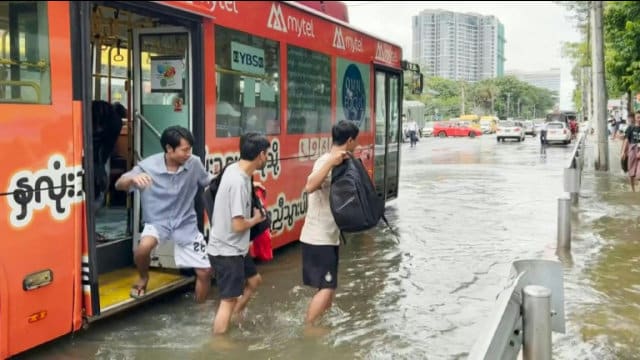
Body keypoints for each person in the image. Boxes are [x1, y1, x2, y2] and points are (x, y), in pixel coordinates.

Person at [114, 125, 213, 302]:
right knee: (142, 249)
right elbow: (119, 184)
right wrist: (131, 179)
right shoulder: (147, 166)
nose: (188, 153)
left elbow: (209, 181)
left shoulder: (194, 163)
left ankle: (201, 312)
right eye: (185, 150)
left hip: (185, 222)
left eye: (190, 149)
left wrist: (244, 183)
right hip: (157, 221)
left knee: (205, 272)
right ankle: (143, 277)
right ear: (169, 148)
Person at [207, 132, 270, 335]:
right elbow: (238, 226)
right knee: (227, 300)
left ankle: (235, 315)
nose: (267, 157)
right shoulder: (237, 183)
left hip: (235, 248)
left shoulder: (237, 170)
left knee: (254, 281)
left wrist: (254, 185)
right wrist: (257, 220)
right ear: (261, 154)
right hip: (227, 251)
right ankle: (220, 345)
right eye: (267, 154)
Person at [299, 120, 359, 327]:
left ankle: (322, 324)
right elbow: (309, 186)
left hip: (329, 237)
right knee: (326, 287)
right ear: (350, 140)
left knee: (329, 287)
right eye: (355, 142)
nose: (356, 146)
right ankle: (309, 329)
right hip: (318, 237)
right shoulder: (326, 160)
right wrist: (330, 163)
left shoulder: (341, 161)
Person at [92, 100, 124, 241]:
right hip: (98, 160)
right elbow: (107, 148)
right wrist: (101, 165)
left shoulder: (90, 120)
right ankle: (90, 230)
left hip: (84, 158)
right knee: (99, 193)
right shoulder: (115, 122)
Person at [621, 111, 640, 191]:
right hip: (632, 150)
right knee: (631, 171)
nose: (639, 119)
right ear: (635, 118)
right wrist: (623, 152)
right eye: (638, 117)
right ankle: (633, 190)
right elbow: (626, 140)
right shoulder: (630, 128)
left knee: (639, 173)